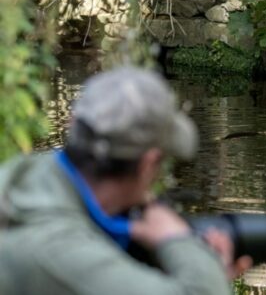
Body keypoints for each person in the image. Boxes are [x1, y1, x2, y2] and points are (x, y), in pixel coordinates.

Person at [0, 67, 252, 295]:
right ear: (148, 164)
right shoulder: (57, 252)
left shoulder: (22, 176)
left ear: (73, 125)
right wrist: (181, 245)